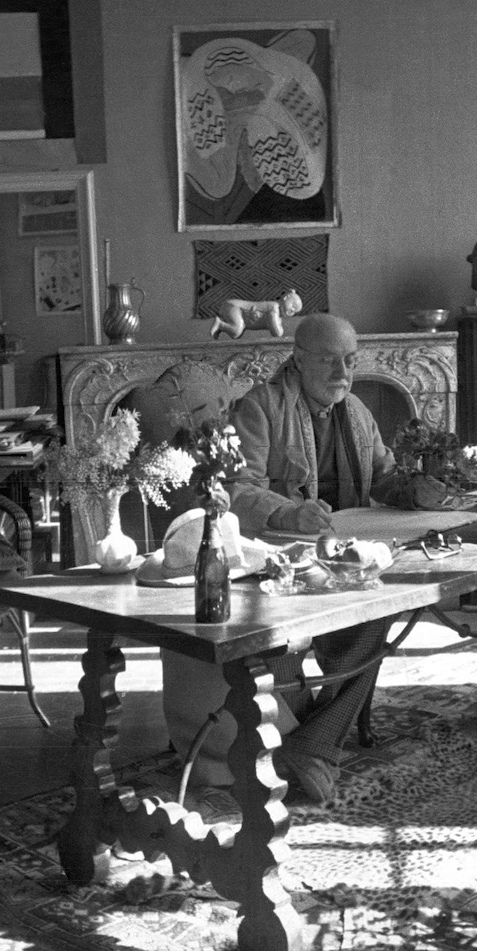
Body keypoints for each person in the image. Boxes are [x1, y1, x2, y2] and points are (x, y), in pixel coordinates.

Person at [206, 313, 402, 803]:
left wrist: (420, 486)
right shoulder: (261, 407)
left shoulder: (356, 411)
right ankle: (314, 743)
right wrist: (290, 513)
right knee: (320, 629)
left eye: (351, 361)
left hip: (341, 559)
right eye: (329, 360)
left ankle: (311, 743)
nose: (343, 372)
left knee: (385, 610)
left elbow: (385, 477)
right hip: (278, 562)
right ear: (297, 359)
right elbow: (236, 488)